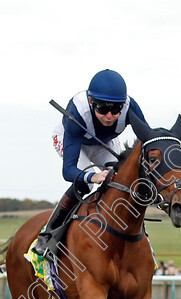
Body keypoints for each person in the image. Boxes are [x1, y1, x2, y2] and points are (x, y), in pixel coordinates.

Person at [33, 69, 148, 258]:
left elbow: (147, 140)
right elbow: (68, 170)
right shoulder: (77, 111)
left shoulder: (131, 107)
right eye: (103, 109)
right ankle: (49, 234)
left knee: (121, 177)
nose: (109, 116)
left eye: (116, 110)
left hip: (104, 143)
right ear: (91, 102)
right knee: (86, 182)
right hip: (72, 140)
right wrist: (93, 175)